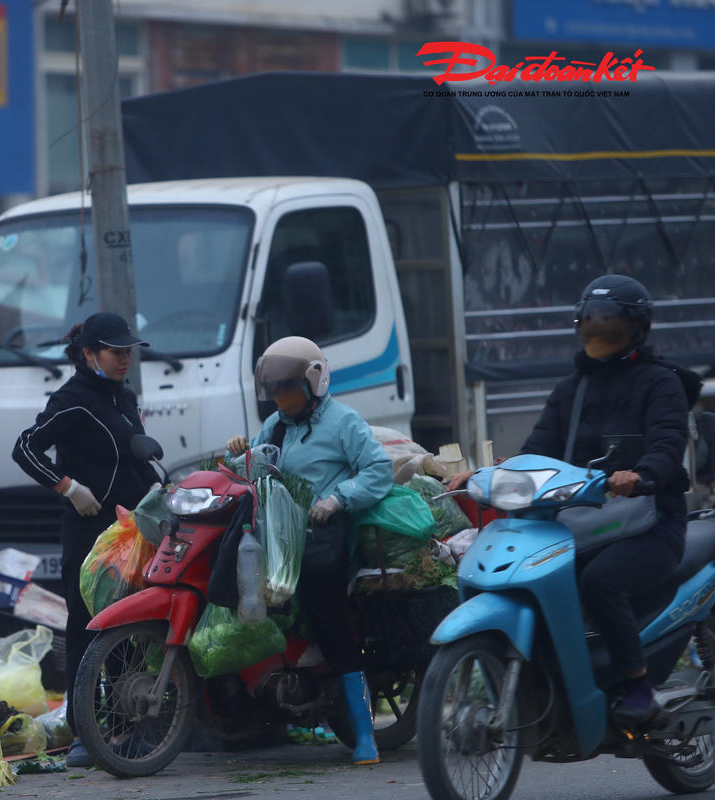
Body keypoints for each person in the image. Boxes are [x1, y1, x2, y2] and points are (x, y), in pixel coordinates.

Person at [446, 274, 691, 724]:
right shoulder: (571, 389)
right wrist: (490, 475)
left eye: (609, 327)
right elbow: (535, 451)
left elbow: (668, 444)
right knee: (529, 572)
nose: (597, 336)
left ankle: (636, 683)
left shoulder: (661, 384)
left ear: (637, 328)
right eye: (589, 325)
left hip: (653, 520)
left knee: (601, 581)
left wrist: (640, 475)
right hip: (583, 521)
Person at [227, 336, 392, 764]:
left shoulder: (344, 422)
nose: (281, 399)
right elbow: (257, 467)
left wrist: (337, 499)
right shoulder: (277, 425)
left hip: (323, 541)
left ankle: (365, 736)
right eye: (275, 391)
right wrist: (239, 455)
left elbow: (379, 470)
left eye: (289, 389)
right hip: (277, 540)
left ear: (314, 383)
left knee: (331, 625)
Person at [11, 312, 157, 768]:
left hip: (130, 536)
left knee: (129, 629)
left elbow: (134, 456)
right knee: (84, 629)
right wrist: (69, 488)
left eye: (128, 352)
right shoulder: (72, 400)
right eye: (116, 352)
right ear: (90, 354)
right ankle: (83, 733)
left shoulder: (125, 398)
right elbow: (25, 448)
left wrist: (158, 487)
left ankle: (130, 728)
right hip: (89, 539)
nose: (124, 360)